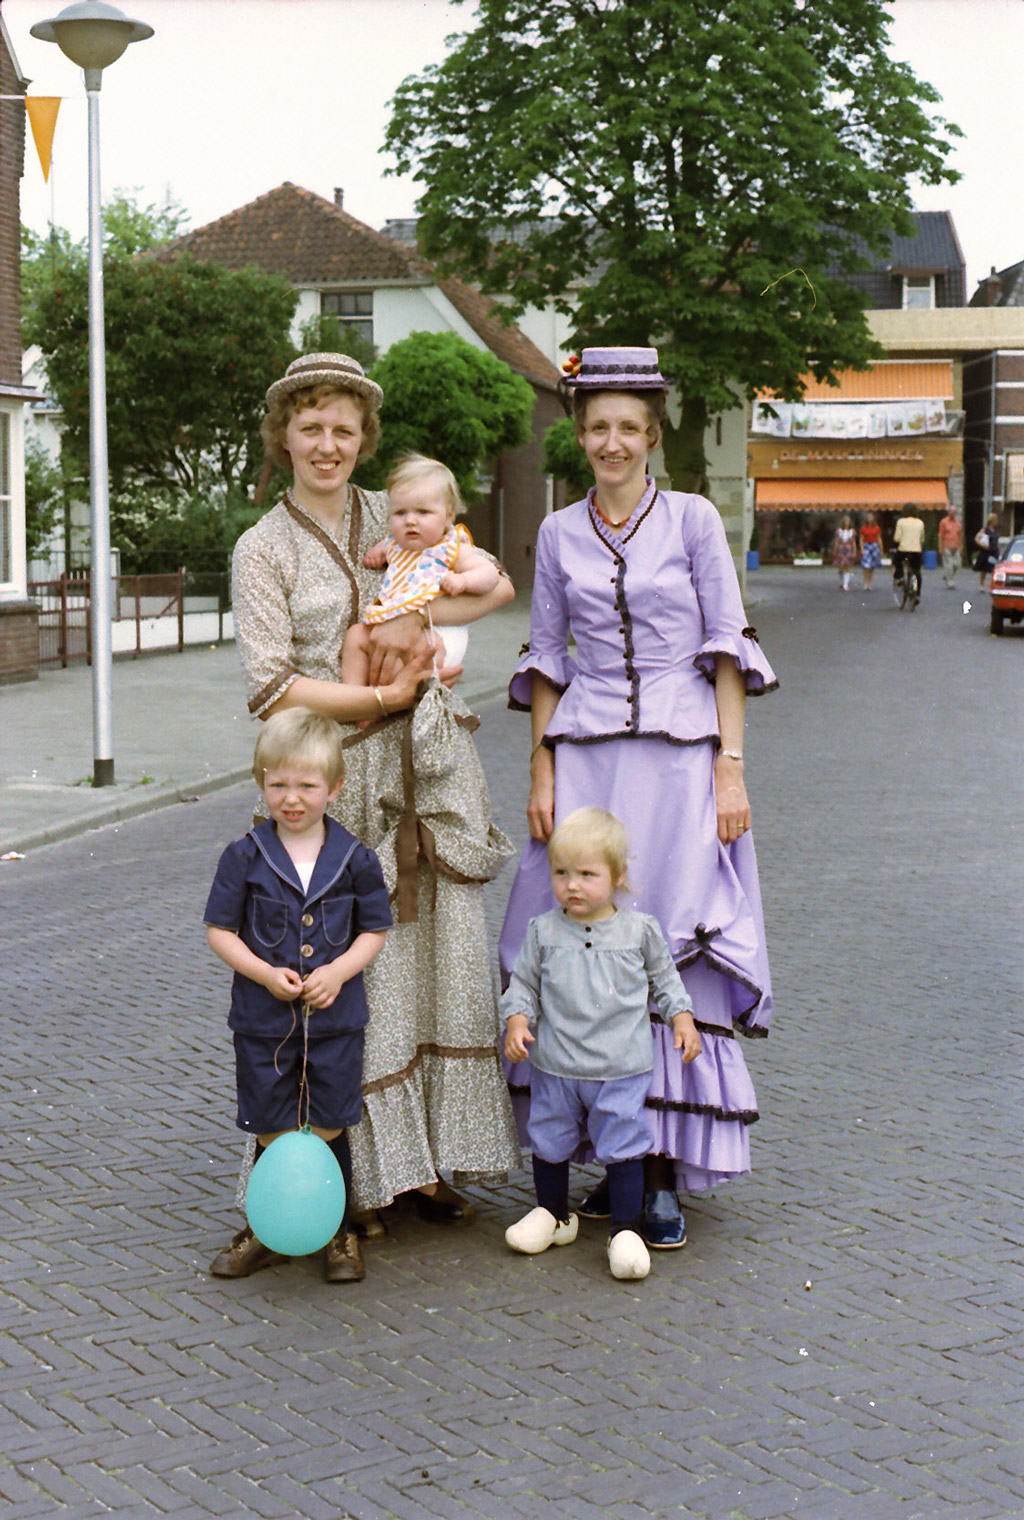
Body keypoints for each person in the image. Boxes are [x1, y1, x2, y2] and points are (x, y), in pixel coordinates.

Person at [223, 352, 520, 1276]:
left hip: (425, 766)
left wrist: (442, 638)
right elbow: (274, 689)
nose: (326, 445)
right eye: (310, 428)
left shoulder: (389, 516)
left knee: (434, 954)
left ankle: (421, 1166)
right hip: (325, 777)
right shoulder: (260, 548)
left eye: (343, 430)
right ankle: (323, 1182)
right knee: (327, 976)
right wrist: (380, 704)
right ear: (285, 436)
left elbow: (486, 573)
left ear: (364, 442)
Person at [498, 345, 777, 1252]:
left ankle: (656, 1174)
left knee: (667, 946)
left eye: (629, 427)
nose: (612, 442)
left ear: (652, 435)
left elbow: (727, 646)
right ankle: (585, 1160)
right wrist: (541, 768)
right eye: (597, 427)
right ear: (579, 436)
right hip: (585, 762)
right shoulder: (558, 534)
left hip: (679, 765)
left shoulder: (694, 521)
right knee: (572, 940)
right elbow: (545, 655)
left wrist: (729, 764)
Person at [205, 709, 392, 1282]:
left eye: (307, 786)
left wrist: (339, 972)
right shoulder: (244, 855)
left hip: (335, 1022)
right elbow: (219, 931)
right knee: (271, 1121)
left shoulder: (356, 857)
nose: (292, 798)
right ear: (261, 781)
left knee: (332, 1121)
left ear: (333, 788)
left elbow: (374, 931)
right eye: (278, 784)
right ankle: (267, 1228)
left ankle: (338, 1231)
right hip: (264, 1023)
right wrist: (263, 973)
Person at [502, 809, 701, 1281]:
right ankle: (553, 1214)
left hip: (620, 1067)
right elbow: (523, 983)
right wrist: (516, 1019)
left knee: (623, 1142)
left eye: (587, 875)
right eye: (561, 873)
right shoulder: (543, 931)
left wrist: (682, 1017)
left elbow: (665, 979)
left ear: (618, 876)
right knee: (549, 1139)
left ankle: (624, 1230)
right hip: (557, 1065)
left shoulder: (639, 931)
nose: (572, 885)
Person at [341, 453, 499, 680]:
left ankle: (395, 701)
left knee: (418, 653)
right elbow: (379, 550)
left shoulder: (450, 547)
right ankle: (354, 699)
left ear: (449, 515)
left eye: (423, 512)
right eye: (400, 513)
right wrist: (375, 555)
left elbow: (490, 574)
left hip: (440, 628)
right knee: (356, 636)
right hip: (395, 620)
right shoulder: (394, 543)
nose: (410, 520)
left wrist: (463, 581)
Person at [891, 504, 926, 603]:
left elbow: (897, 538)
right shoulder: (920, 522)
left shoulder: (901, 522)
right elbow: (922, 539)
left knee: (897, 560)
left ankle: (900, 576)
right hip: (916, 550)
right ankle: (917, 594)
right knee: (917, 571)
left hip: (904, 550)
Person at [937, 506, 962, 589]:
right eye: (951, 512)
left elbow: (960, 536)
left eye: (954, 512)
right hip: (946, 546)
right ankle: (950, 581)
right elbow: (940, 535)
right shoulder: (943, 522)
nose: (952, 513)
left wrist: (961, 546)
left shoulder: (958, 523)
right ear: (948, 512)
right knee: (949, 565)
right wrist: (940, 547)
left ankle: (947, 575)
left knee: (957, 564)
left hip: (956, 547)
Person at [974, 513, 1000, 588]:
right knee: (984, 569)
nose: (997, 521)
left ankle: (993, 584)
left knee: (994, 568)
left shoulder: (996, 530)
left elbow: (997, 541)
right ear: (992, 521)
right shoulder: (984, 530)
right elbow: (976, 539)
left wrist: (999, 550)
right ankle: (982, 584)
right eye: (996, 520)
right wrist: (983, 545)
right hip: (986, 551)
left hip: (994, 551)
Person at [832, 514, 858, 591]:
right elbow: (836, 542)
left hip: (848, 549)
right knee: (840, 567)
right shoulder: (839, 531)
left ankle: (845, 585)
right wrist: (835, 551)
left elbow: (853, 542)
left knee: (847, 567)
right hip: (840, 549)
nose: (847, 523)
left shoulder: (852, 531)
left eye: (848, 522)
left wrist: (854, 551)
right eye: (845, 522)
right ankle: (842, 579)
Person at [859, 511, 883, 590]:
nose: (869, 519)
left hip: (874, 546)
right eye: (868, 518)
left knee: (872, 566)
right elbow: (861, 539)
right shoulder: (863, 528)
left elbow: (879, 538)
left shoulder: (876, 528)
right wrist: (862, 548)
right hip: (866, 546)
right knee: (866, 566)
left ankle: (869, 583)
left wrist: (881, 549)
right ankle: (865, 583)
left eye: (871, 517)